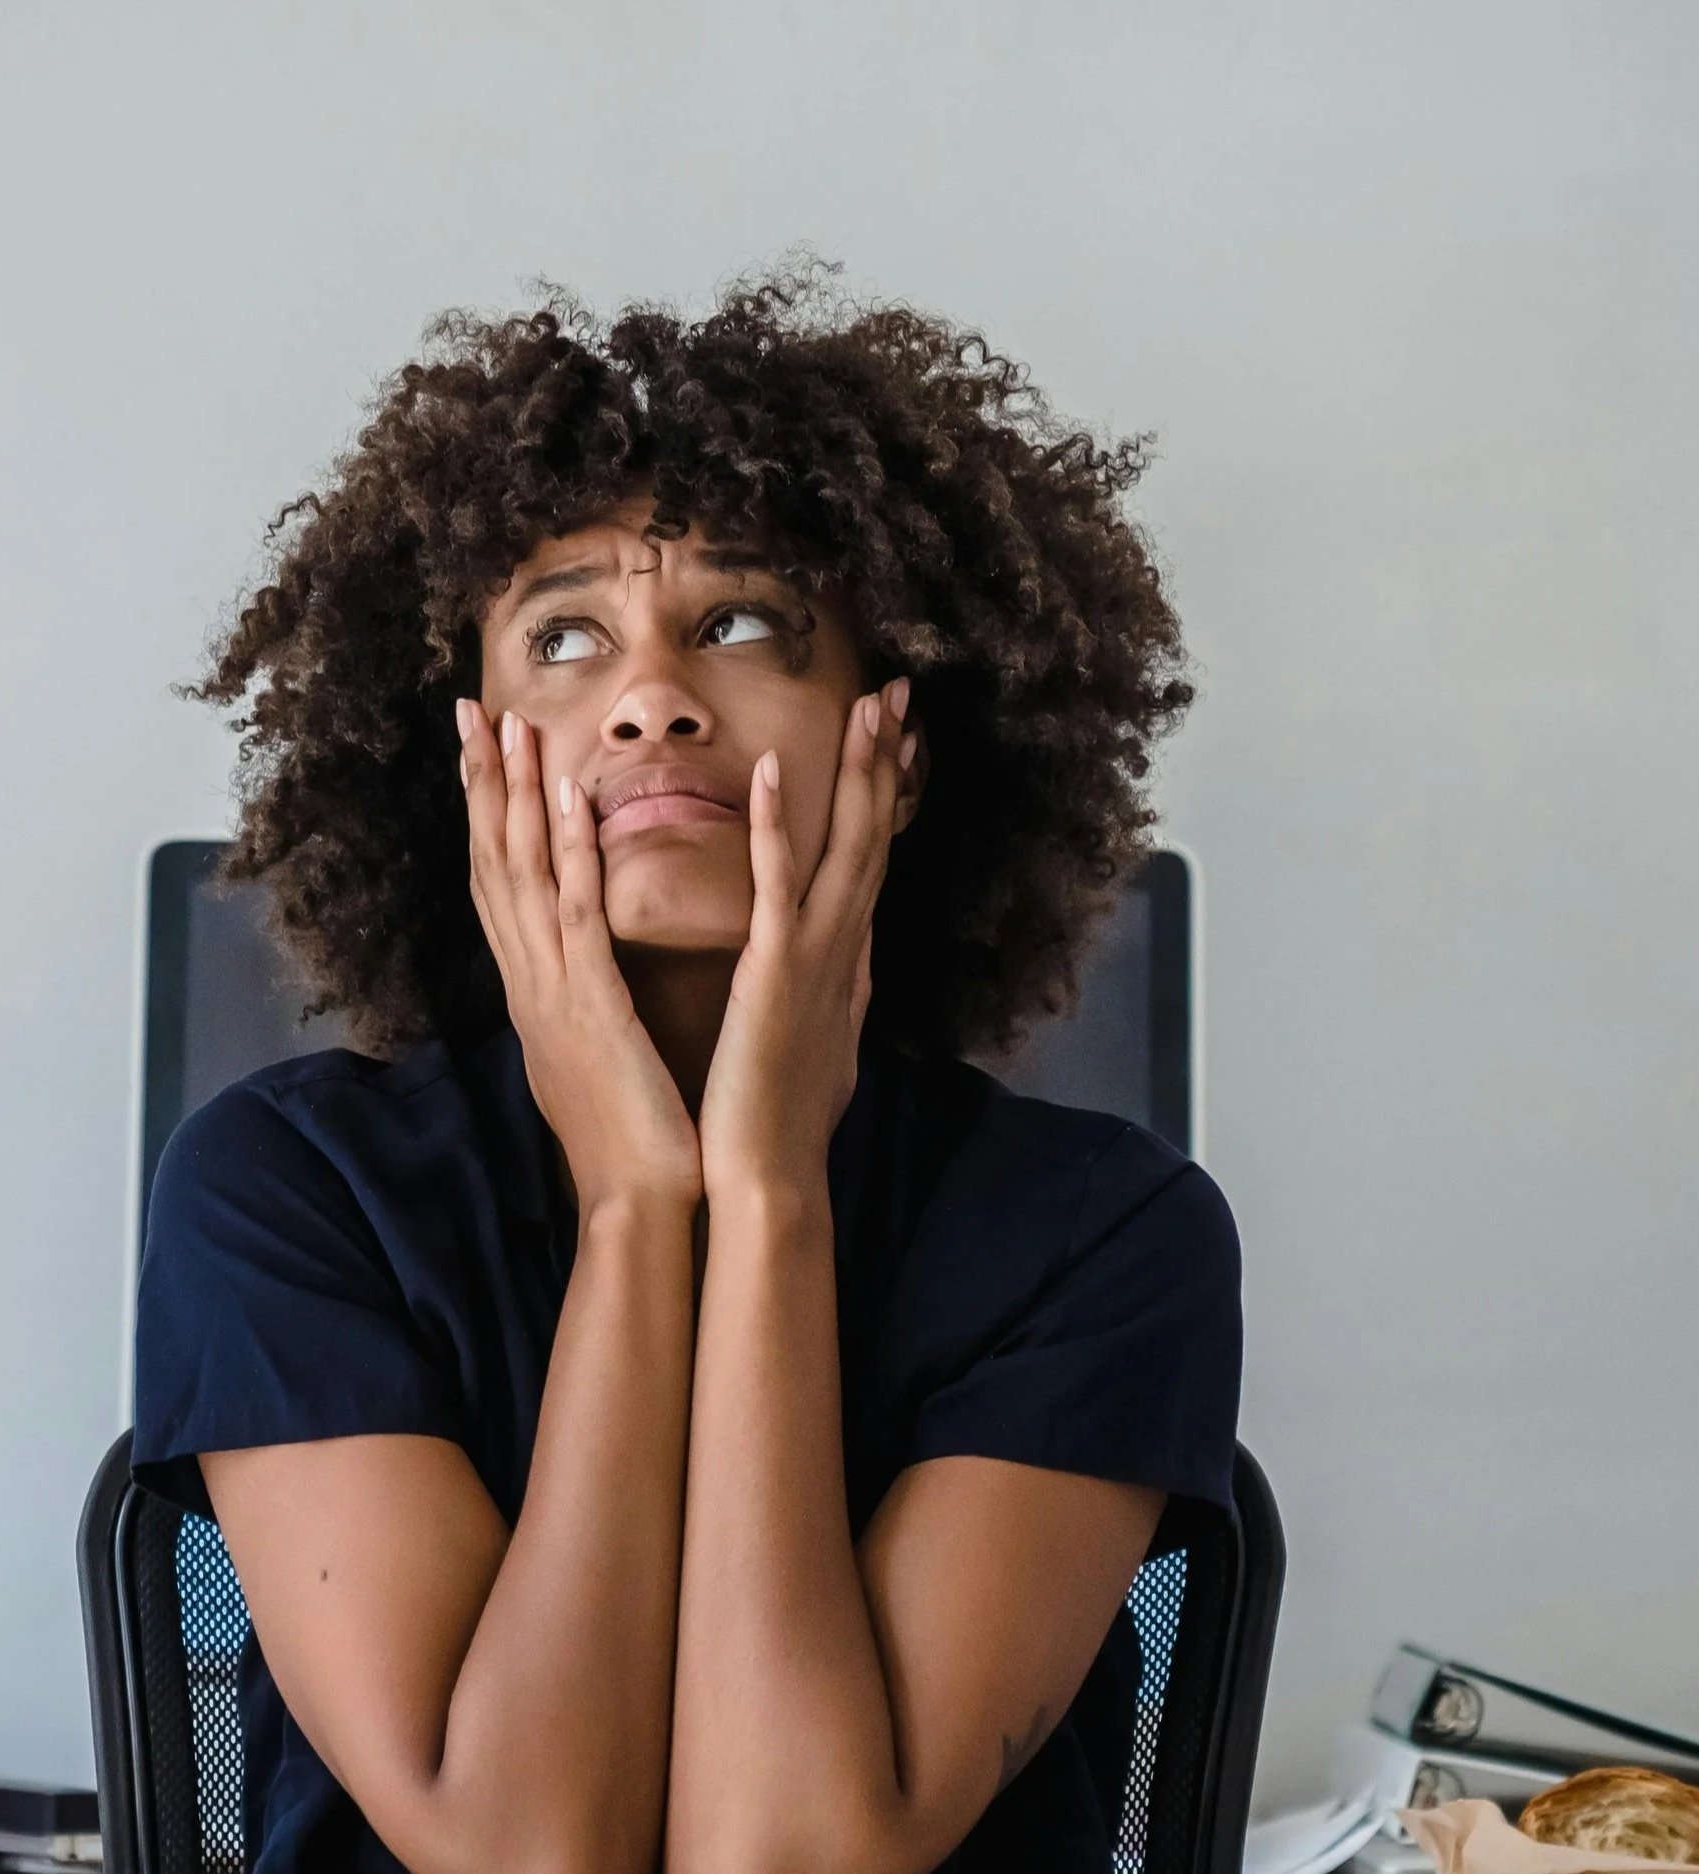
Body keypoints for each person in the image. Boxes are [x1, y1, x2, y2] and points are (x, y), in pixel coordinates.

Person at [130, 257, 1244, 1874]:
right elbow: (523, 1854)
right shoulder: (286, 1193)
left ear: (902, 744)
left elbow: (793, 1855)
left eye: (739, 623)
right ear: (466, 757)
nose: (651, 700)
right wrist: (645, 1206)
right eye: (564, 637)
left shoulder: (1108, 1235)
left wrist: (768, 1195)